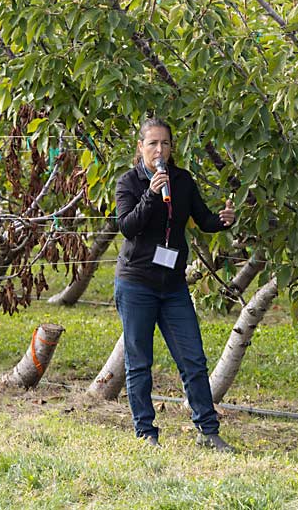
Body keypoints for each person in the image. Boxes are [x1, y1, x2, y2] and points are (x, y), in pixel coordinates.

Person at [113, 118, 238, 452]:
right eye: (152, 144)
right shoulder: (129, 182)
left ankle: (208, 432)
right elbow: (127, 226)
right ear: (140, 148)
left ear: (172, 147)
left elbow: (203, 219)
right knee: (139, 362)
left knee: (193, 359)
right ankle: (146, 433)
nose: (159, 151)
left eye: (165, 144)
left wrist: (223, 221)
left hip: (172, 286)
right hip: (137, 283)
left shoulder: (182, 180)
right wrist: (152, 195)